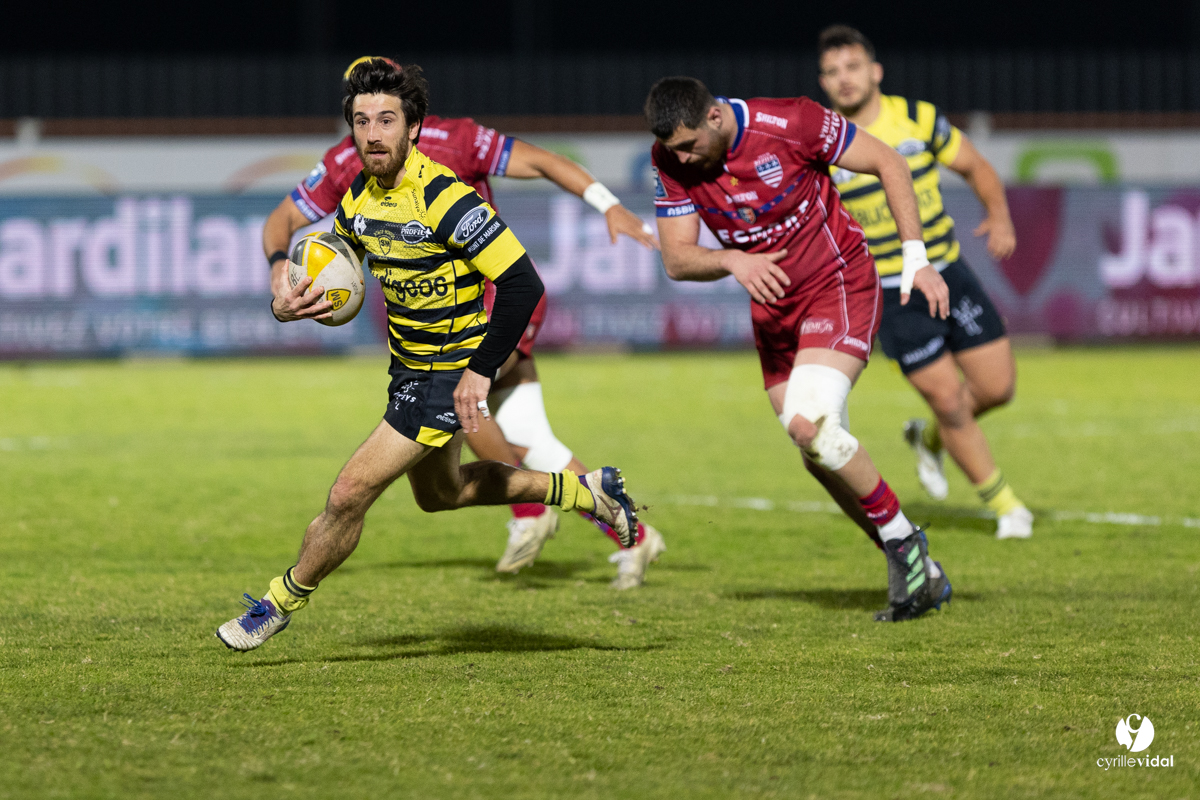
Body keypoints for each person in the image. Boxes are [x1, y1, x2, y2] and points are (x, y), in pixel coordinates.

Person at [216, 60, 638, 652]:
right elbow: (331, 268)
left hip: (447, 369)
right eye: (362, 121)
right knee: (440, 496)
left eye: (386, 120)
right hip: (408, 368)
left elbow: (523, 284)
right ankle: (585, 490)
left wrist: (478, 370)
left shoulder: (445, 198)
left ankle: (278, 601)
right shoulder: (359, 199)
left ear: (412, 127)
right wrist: (289, 302)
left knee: (349, 493)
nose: (373, 133)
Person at [646, 76, 954, 622]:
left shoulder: (794, 122)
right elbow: (676, 259)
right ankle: (916, 568)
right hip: (775, 315)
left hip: (839, 284)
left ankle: (906, 546)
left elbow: (890, 162)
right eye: (674, 150)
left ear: (715, 117)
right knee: (818, 457)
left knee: (809, 425)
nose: (683, 159)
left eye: (690, 145)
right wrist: (732, 261)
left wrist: (915, 258)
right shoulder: (669, 158)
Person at [817, 25, 1033, 540]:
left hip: (948, 270)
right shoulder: (822, 140)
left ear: (875, 71)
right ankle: (1007, 507)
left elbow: (975, 166)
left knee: (997, 388)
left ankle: (930, 440)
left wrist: (999, 216)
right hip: (890, 292)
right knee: (948, 399)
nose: (843, 80)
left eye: (851, 67)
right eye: (831, 72)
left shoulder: (918, 118)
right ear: (823, 83)